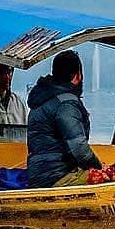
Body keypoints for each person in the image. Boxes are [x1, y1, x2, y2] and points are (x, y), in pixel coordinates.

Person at [26, 49, 102, 188]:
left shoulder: (41, 99)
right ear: (77, 75)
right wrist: (100, 168)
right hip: (57, 177)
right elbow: (79, 149)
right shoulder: (66, 104)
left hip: (38, 175)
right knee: (114, 179)